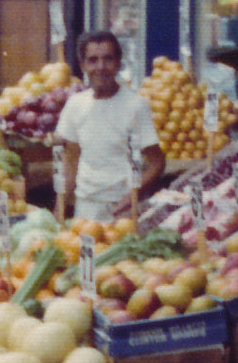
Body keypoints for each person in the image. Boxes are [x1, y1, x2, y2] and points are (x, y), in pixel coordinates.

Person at [54, 31, 165, 221]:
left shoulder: (136, 106)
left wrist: (132, 195)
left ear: (118, 63)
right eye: (93, 60)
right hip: (86, 208)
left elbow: (156, 162)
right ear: (82, 65)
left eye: (108, 59)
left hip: (123, 211)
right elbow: (71, 160)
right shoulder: (75, 105)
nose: (101, 67)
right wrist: (60, 207)